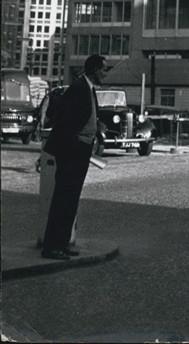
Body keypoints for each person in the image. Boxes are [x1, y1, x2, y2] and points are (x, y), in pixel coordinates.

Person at [41, 55, 108, 260]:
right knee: (63, 199)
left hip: (80, 150)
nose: (105, 73)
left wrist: (96, 128)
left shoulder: (87, 89)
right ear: (95, 69)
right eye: (104, 69)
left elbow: (84, 116)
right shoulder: (79, 89)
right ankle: (52, 246)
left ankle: (62, 243)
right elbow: (66, 121)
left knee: (70, 200)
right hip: (72, 151)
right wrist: (75, 145)